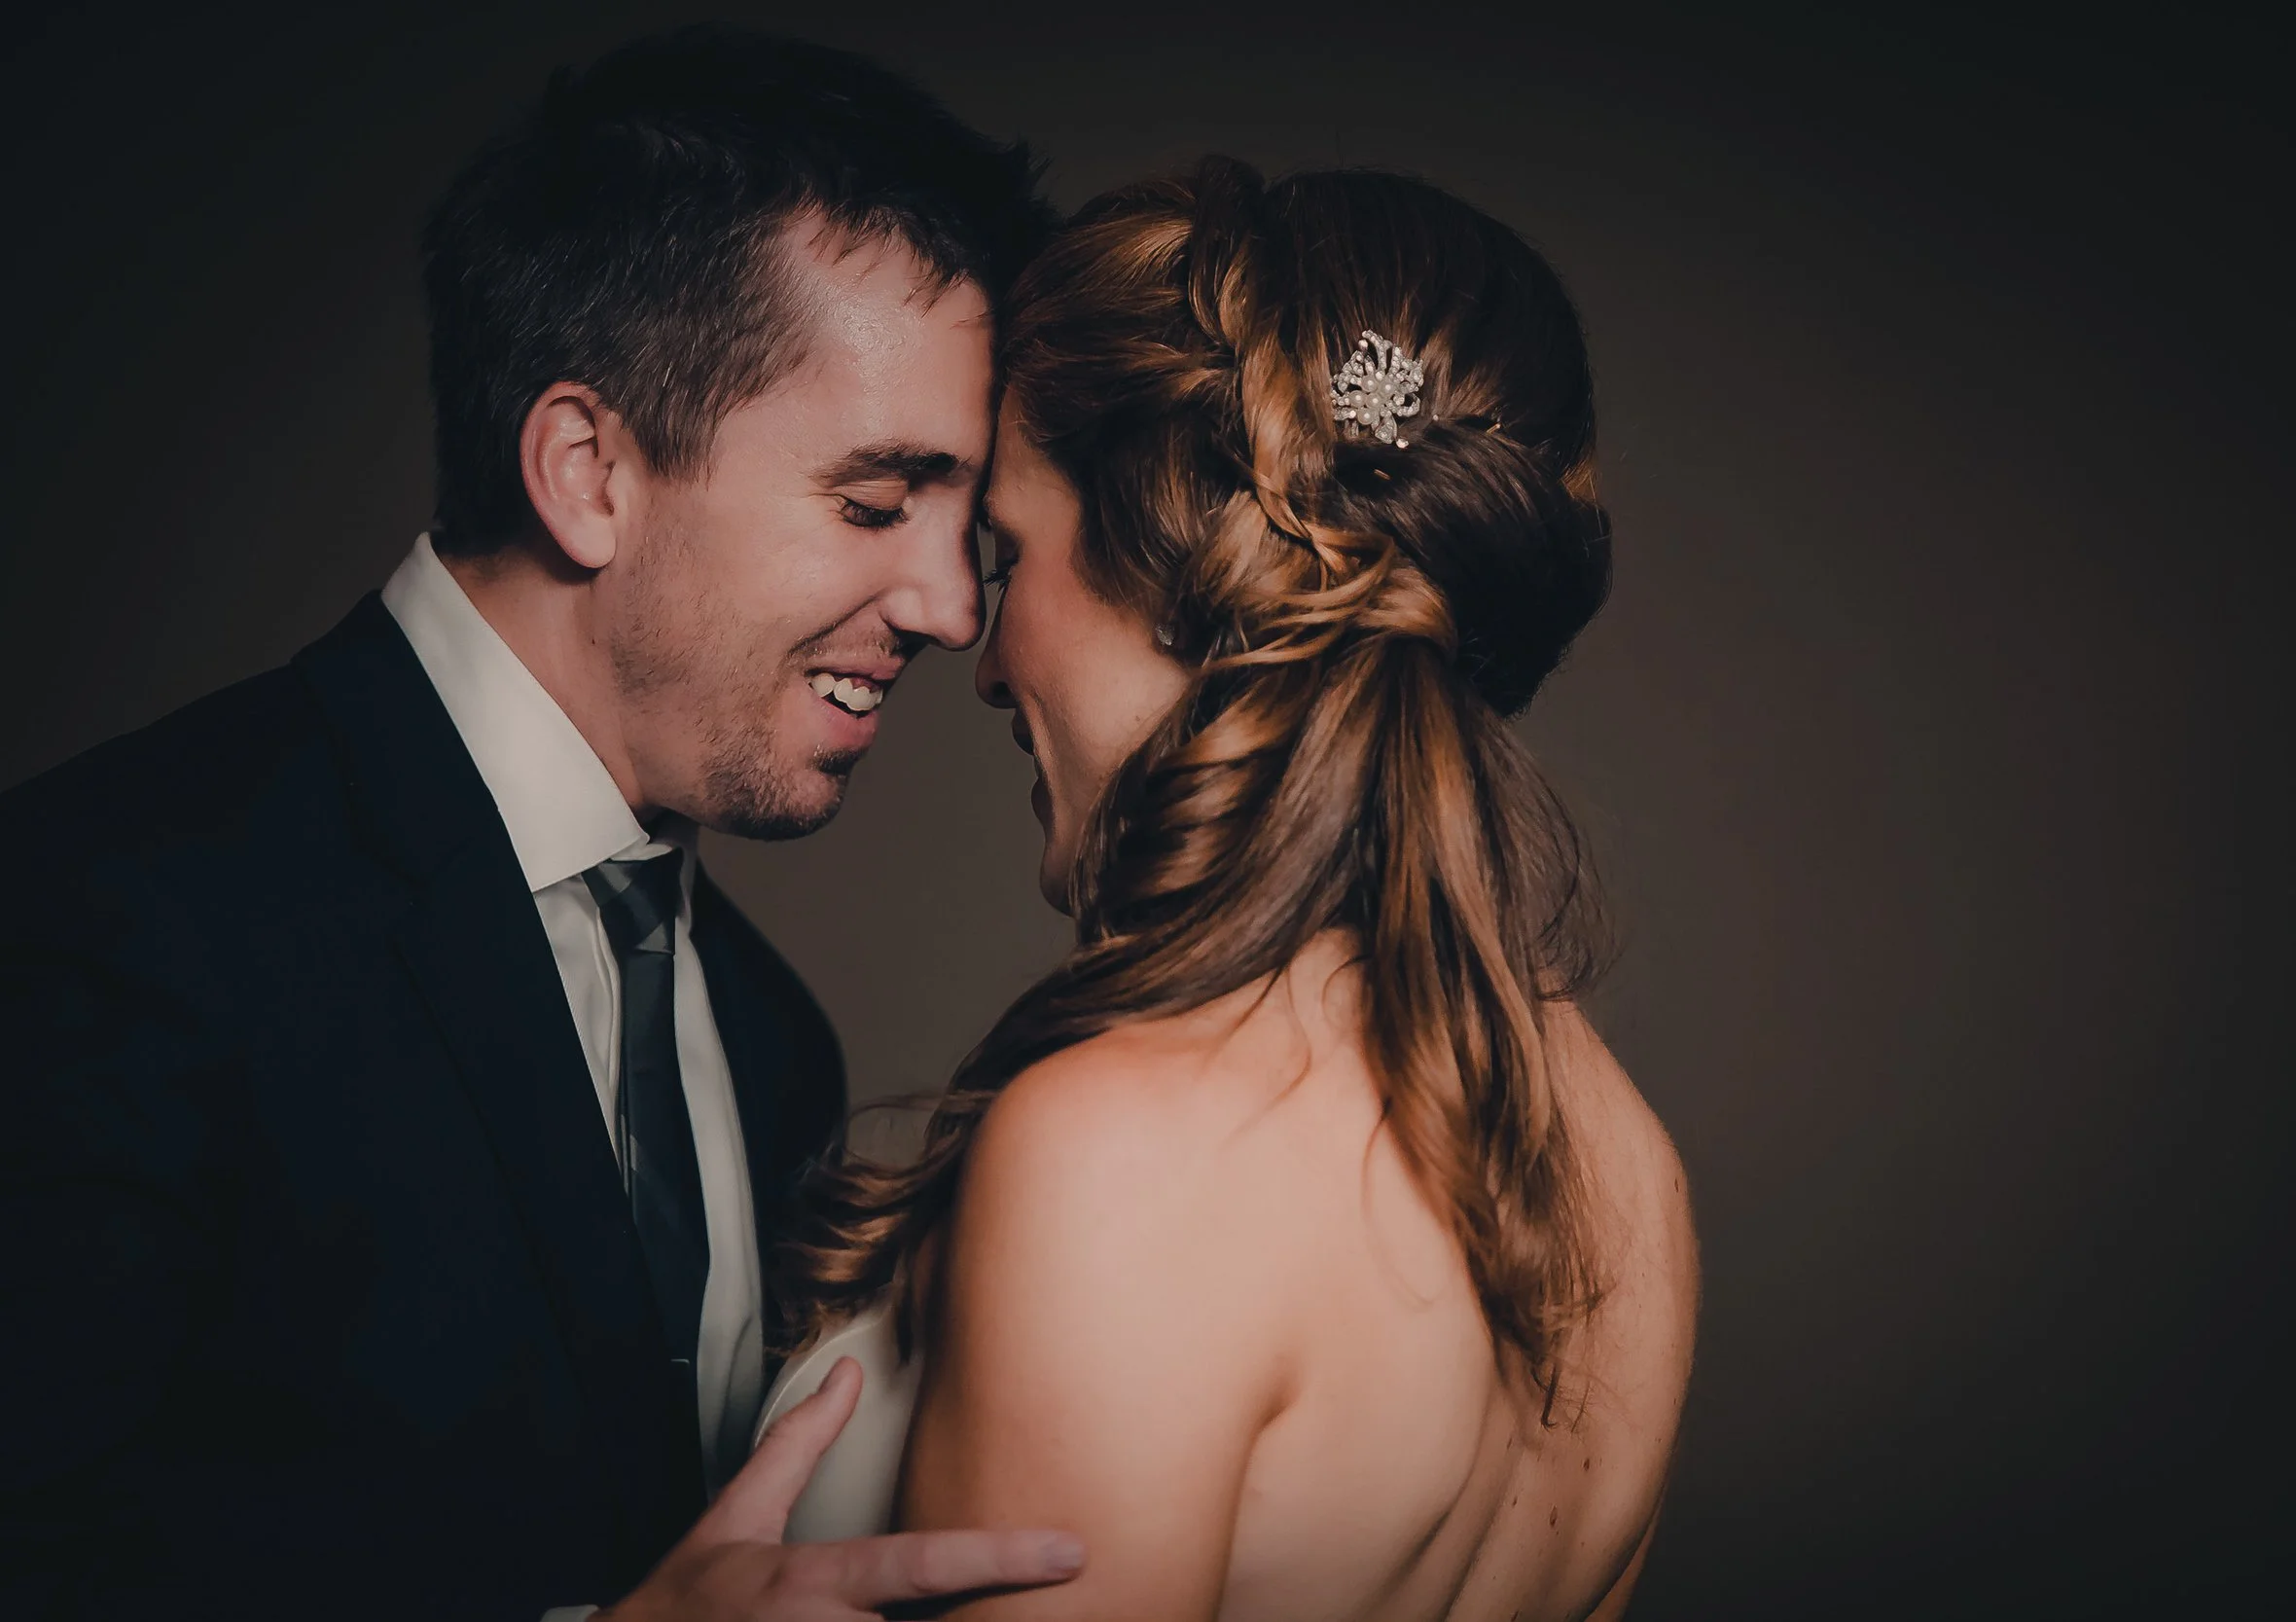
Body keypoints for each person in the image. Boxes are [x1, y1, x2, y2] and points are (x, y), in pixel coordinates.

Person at [0, 26, 1086, 1620]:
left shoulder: (772, 1040)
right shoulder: (104, 920)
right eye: (874, 501)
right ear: (589, 470)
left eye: (962, 525)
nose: (941, 603)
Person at [764, 159, 1701, 1619]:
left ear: (1176, 555)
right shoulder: (1621, 1171)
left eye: (1008, 554)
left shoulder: (1120, 1155)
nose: (985, 655)